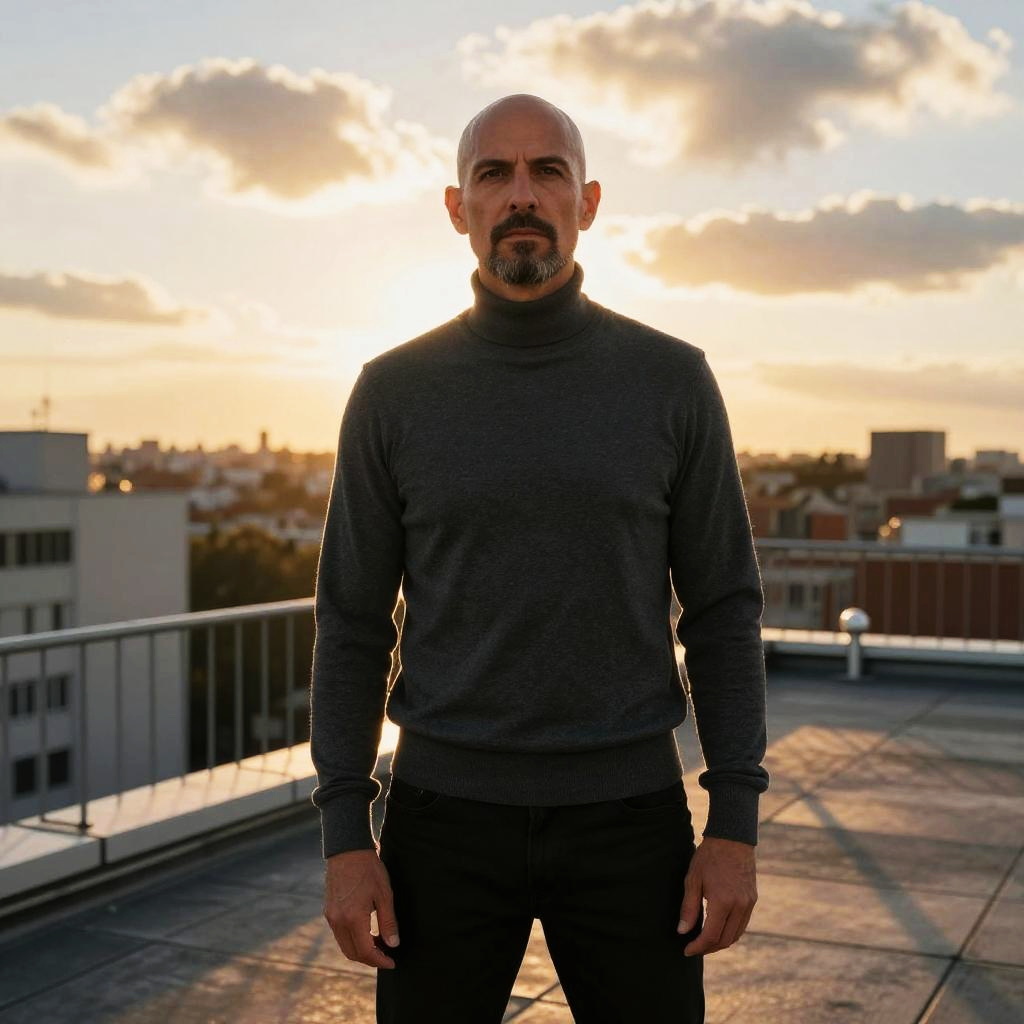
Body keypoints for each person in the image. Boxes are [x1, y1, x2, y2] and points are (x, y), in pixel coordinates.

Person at [309, 93, 769, 1024]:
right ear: (459, 208)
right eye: (495, 173)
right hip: (440, 821)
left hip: (630, 819)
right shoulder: (391, 393)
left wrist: (734, 824)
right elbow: (352, 624)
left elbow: (723, 608)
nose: (521, 193)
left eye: (547, 170)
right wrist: (345, 836)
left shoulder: (672, 381)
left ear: (587, 201)